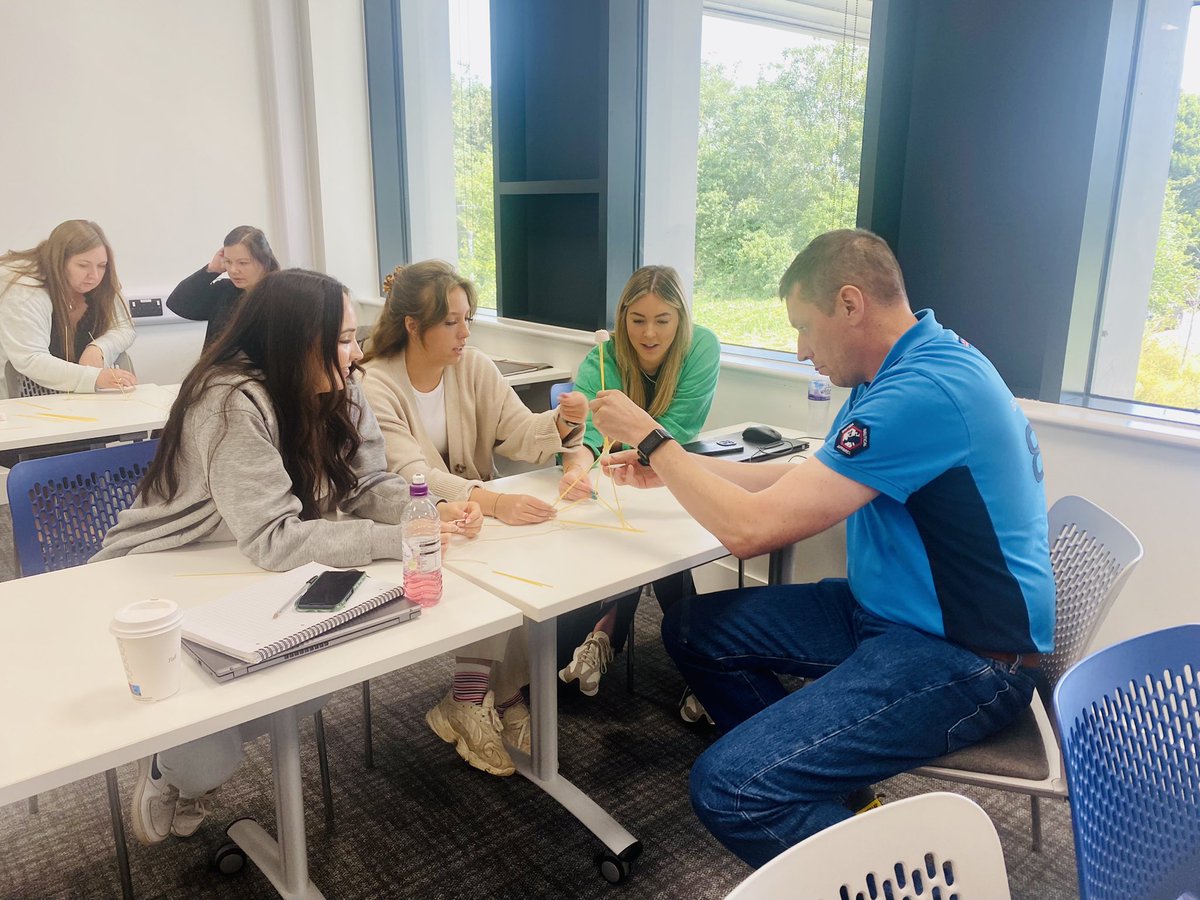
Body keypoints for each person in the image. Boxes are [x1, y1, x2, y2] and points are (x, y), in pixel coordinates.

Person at [589, 229, 1055, 867]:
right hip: (890, 615)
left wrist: (654, 441)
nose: (803, 351)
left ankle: (872, 858)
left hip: (964, 656)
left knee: (729, 789)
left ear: (851, 303)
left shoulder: (920, 393)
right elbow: (794, 480)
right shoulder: (895, 369)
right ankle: (837, 788)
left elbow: (751, 531)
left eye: (806, 329)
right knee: (693, 627)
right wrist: (670, 468)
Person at [94, 267, 481, 844]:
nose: (356, 354)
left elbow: (366, 484)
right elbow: (274, 539)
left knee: (315, 672)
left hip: (265, 566)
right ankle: (170, 767)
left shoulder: (340, 381)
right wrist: (395, 543)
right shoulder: (227, 400)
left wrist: (420, 514)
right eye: (345, 339)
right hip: (174, 566)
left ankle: (202, 746)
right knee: (208, 760)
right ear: (297, 341)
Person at [360, 260, 593, 777]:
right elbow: (410, 475)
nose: (466, 333)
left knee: (519, 572)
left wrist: (563, 421)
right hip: (415, 526)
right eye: (451, 322)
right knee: (495, 576)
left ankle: (489, 698)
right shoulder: (374, 384)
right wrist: (490, 502)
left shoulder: (473, 365)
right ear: (412, 326)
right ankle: (475, 700)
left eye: (469, 319)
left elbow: (520, 433)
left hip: (464, 517)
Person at [556, 265, 720, 708]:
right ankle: (706, 670)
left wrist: (625, 448)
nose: (648, 333)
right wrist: (577, 466)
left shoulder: (701, 346)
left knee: (658, 553)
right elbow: (583, 433)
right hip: (615, 477)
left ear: (681, 319)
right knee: (648, 555)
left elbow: (679, 426)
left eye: (662, 320)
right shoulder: (602, 359)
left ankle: (609, 633)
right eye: (637, 320)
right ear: (621, 318)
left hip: (668, 474)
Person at [0, 219, 136, 398]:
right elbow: (31, 359)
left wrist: (99, 348)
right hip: (18, 397)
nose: (94, 276)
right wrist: (94, 377)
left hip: (73, 395)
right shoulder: (25, 288)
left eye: (102, 266)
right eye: (82, 265)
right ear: (58, 262)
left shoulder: (102, 284)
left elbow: (124, 327)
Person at [166, 225, 279, 347]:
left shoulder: (281, 298)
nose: (233, 270)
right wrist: (212, 270)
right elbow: (177, 303)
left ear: (264, 261)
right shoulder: (224, 291)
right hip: (218, 365)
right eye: (228, 262)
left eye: (243, 263)